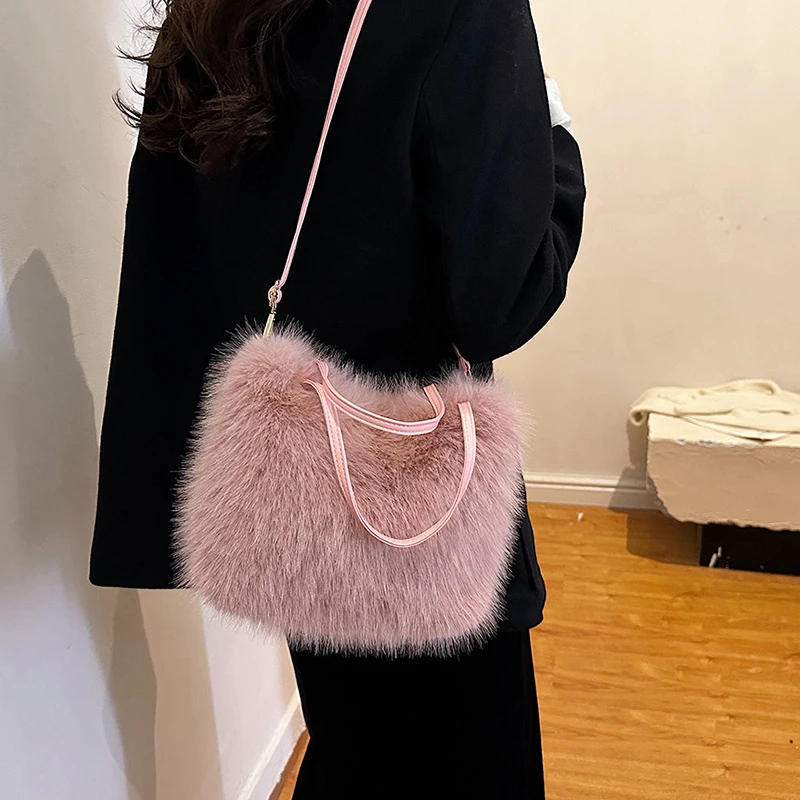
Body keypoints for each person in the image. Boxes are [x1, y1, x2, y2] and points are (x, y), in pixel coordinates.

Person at [90, 0, 586, 796]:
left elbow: (178, 255)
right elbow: (502, 298)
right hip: (419, 502)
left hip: (293, 483)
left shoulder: (209, 10)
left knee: (357, 747)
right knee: (460, 763)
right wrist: (555, 142)